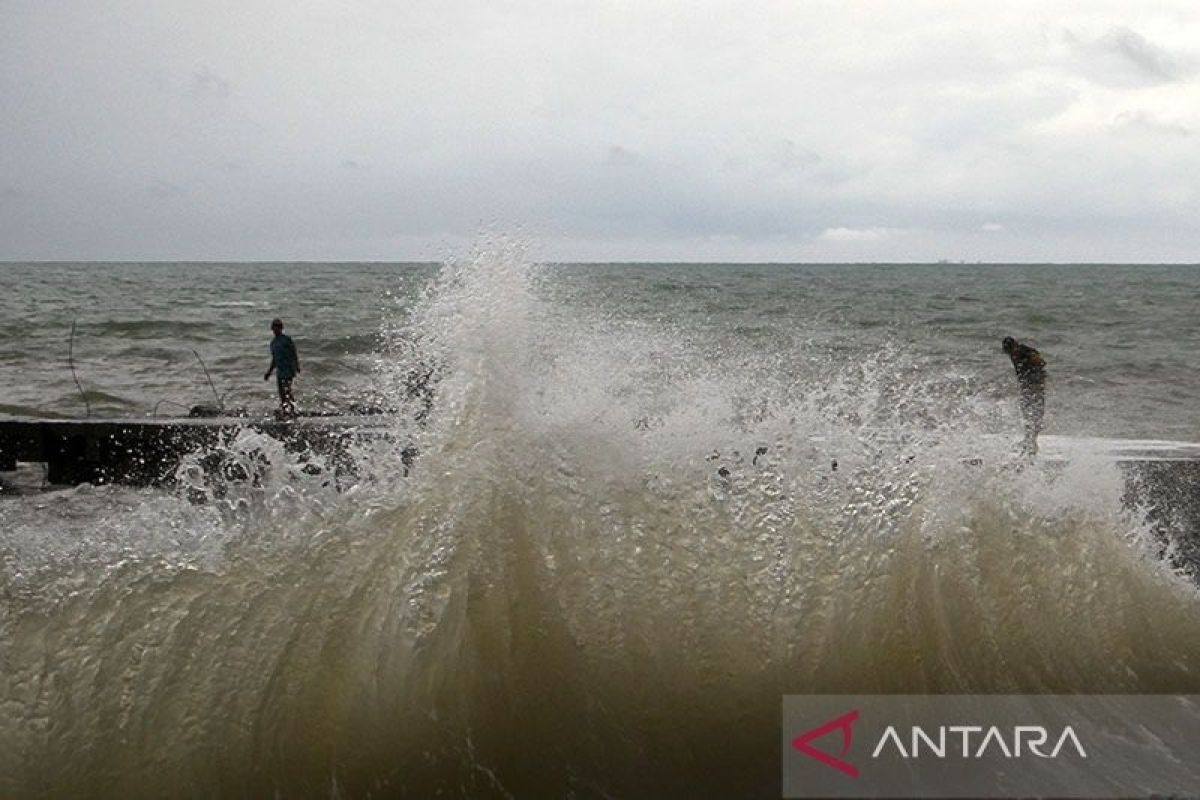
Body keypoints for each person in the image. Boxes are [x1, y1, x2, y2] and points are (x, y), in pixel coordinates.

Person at [1002, 336, 1045, 455]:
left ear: (1015, 345)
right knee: (1026, 413)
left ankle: (1033, 443)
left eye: (1011, 350)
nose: (1011, 354)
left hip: (1035, 387)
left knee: (1036, 414)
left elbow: (1041, 362)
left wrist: (1035, 378)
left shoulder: (1026, 352)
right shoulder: (1013, 353)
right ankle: (1029, 440)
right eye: (1008, 352)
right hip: (1026, 387)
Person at [264, 318, 300, 416]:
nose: (276, 329)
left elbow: (293, 353)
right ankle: (285, 410)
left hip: (288, 369)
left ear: (281, 328)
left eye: (278, 327)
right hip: (280, 371)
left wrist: (296, 365)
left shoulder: (287, 340)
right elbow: (274, 359)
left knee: (287, 390)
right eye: (274, 327)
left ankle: (293, 409)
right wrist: (269, 372)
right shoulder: (273, 343)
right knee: (281, 393)